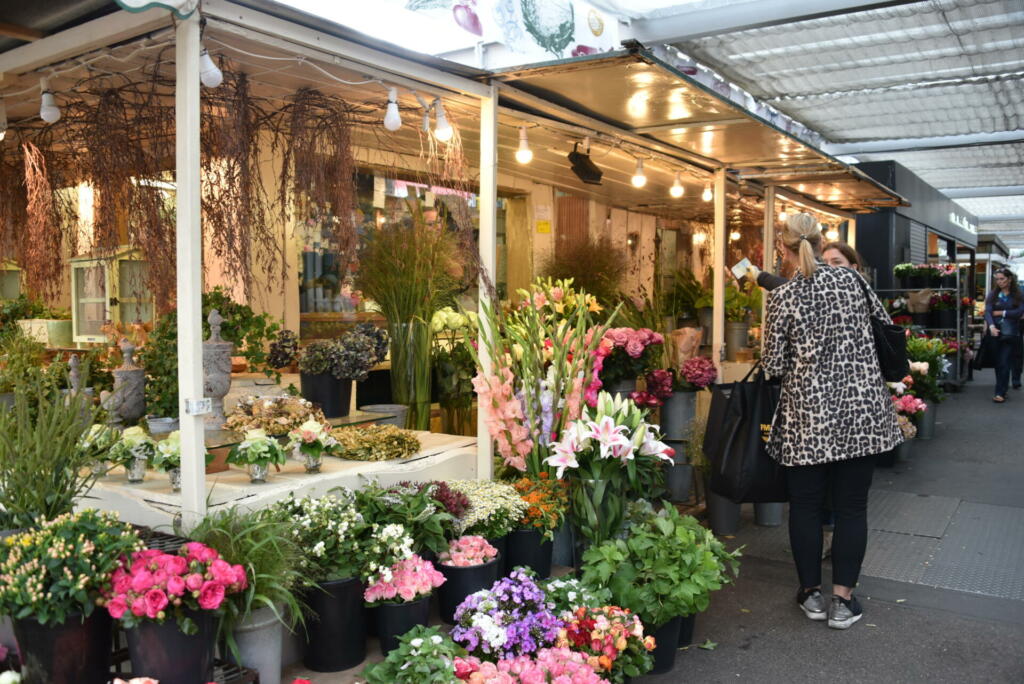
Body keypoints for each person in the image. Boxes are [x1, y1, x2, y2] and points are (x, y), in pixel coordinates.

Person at [761, 214, 902, 630]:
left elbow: (772, 365)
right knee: (852, 508)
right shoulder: (854, 282)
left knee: (804, 508)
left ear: (783, 249)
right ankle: (843, 601)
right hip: (862, 413)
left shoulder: (783, 297)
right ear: (822, 243)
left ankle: (811, 595)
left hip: (808, 418)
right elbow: (886, 329)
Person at [747, 240, 865, 560]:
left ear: (855, 269)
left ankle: (817, 582)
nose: (827, 270)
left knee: (834, 502)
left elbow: (774, 364)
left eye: (836, 263)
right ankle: (825, 580)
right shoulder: (808, 296)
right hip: (814, 417)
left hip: (845, 418)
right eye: (824, 262)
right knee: (819, 502)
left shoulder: (856, 302)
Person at [984, 268, 1024, 402]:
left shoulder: (1018, 295)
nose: (1000, 282)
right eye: (997, 279)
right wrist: (991, 326)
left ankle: (999, 392)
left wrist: (1002, 313)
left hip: (1011, 332)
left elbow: (1019, 312)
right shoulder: (993, 295)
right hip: (994, 332)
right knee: (998, 363)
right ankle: (1003, 388)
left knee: (1005, 361)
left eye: (1002, 279)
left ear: (1009, 279)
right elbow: (988, 312)